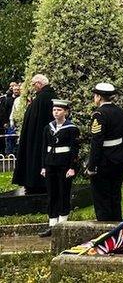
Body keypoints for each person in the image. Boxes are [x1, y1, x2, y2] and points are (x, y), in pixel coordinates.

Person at [87, 83, 123, 222]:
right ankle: (117, 225)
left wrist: (92, 165)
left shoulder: (99, 115)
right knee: (115, 194)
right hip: (119, 158)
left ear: (99, 97)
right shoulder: (121, 112)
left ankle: (104, 228)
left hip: (103, 160)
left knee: (101, 197)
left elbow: (97, 142)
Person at [38, 98, 79, 237]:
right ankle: (52, 225)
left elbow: (74, 149)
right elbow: (44, 148)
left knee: (63, 193)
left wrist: (72, 167)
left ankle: (63, 224)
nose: (56, 112)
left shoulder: (71, 128)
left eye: (59, 110)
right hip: (50, 164)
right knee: (52, 194)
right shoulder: (48, 127)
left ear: (66, 112)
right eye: (54, 110)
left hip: (64, 165)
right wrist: (43, 166)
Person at [13, 74, 56, 194]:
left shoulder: (43, 98)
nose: (32, 87)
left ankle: (36, 184)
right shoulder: (45, 97)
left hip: (36, 138)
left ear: (39, 84)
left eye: (33, 84)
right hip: (37, 136)